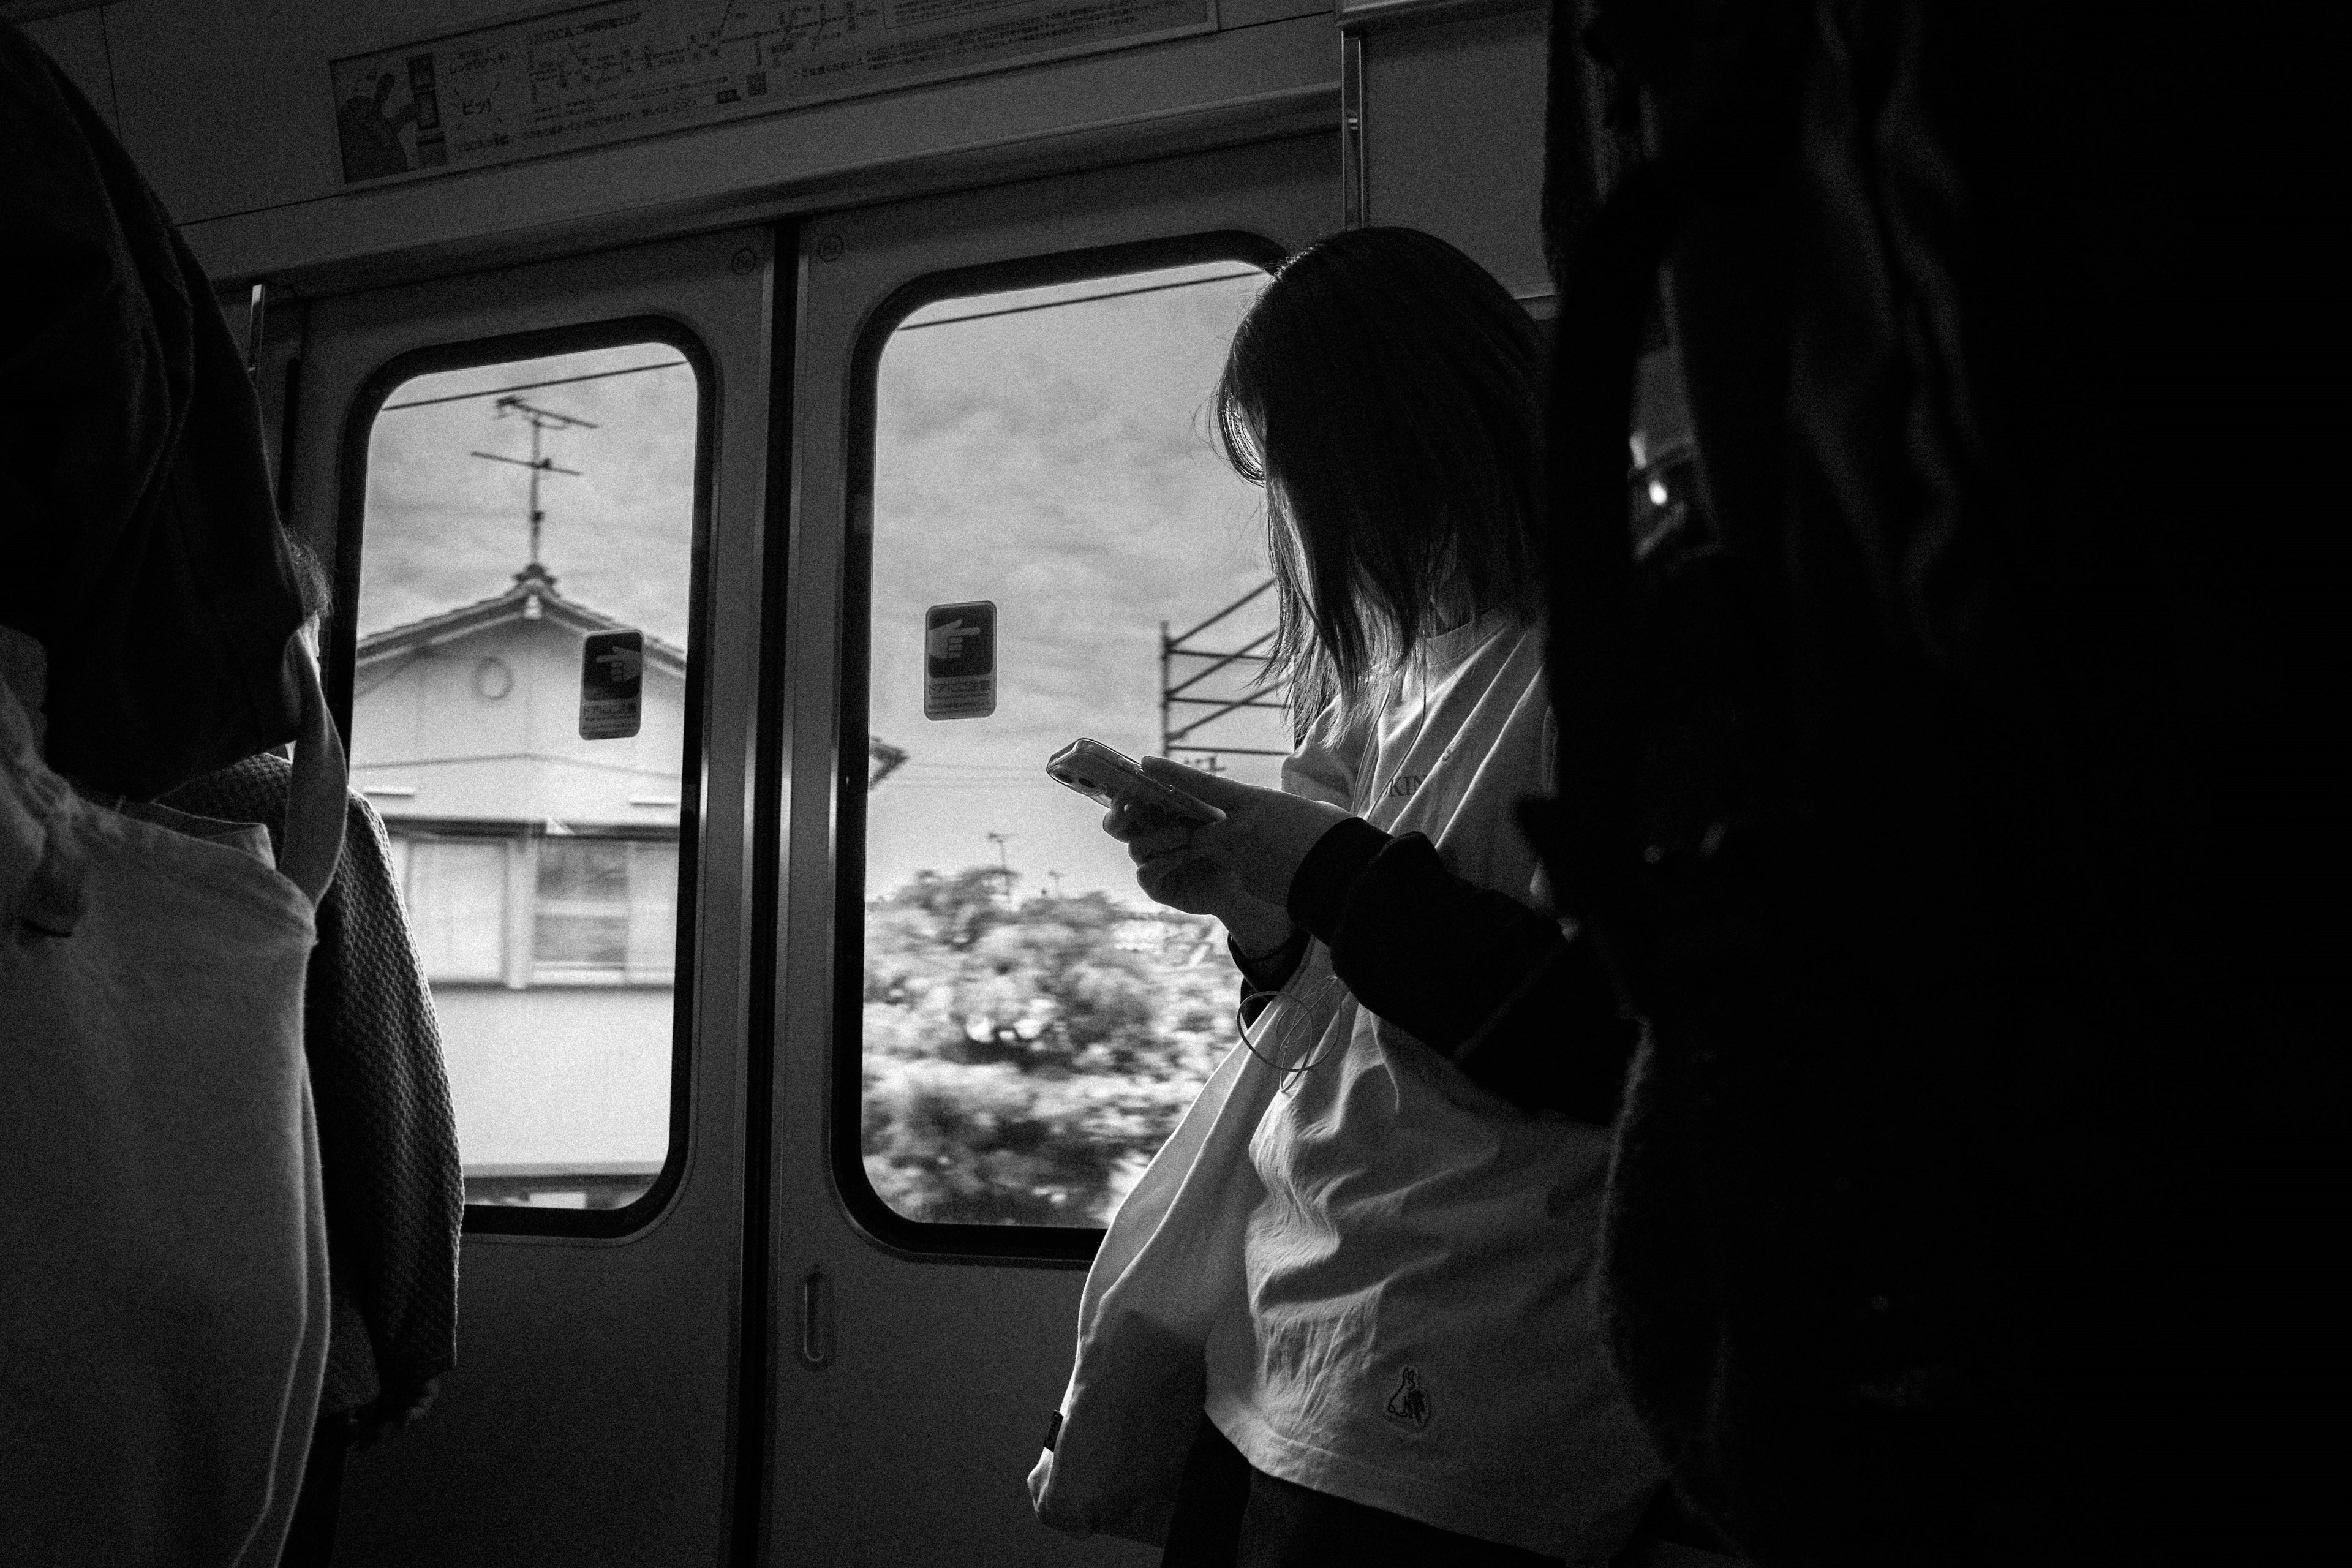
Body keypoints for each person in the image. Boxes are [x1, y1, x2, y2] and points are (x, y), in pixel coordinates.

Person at [1099, 227, 1662, 1567]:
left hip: (1462, 1392)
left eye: (1304, 468)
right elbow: (1348, 1014)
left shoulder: (1610, 642)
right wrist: (1260, 914)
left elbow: (1614, 1040)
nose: (1301, 519)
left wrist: (1324, 865)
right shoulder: (1393, 680)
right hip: (1289, 1332)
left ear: (1396, 440)